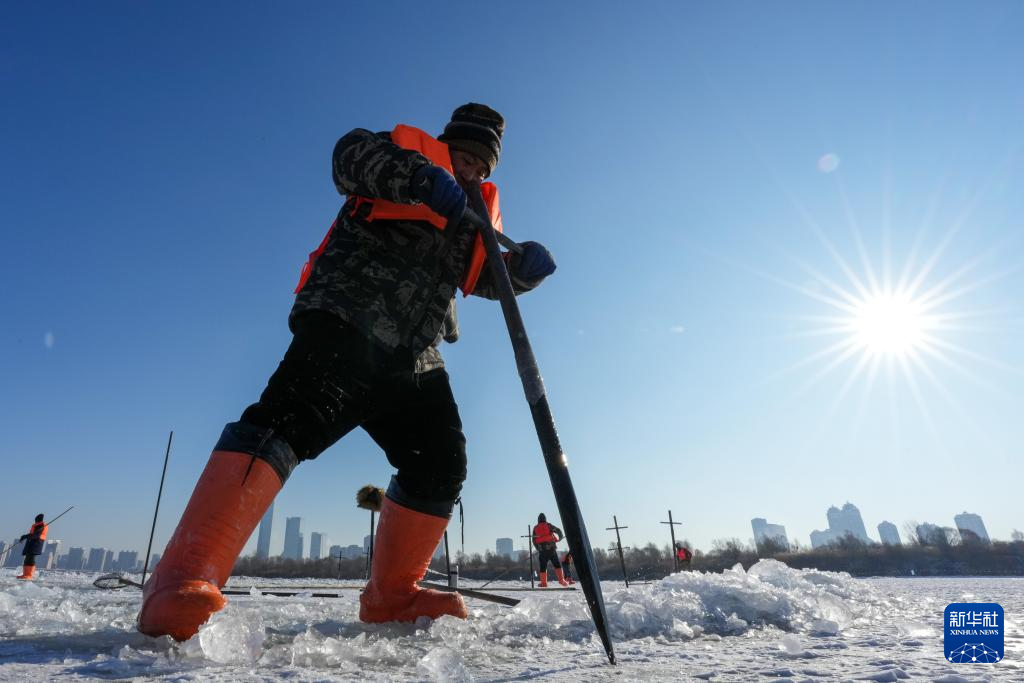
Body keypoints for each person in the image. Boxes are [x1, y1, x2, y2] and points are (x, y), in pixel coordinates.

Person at [136, 103, 557, 641]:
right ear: (446, 145)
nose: (471, 170)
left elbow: (481, 278)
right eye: (464, 156)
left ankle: (393, 595)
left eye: (481, 165)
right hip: (349, 319)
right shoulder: (401, 155)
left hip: (416, 356)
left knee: (440, 462)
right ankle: (182, 579)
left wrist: (522, 273)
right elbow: (348, 157)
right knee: (284, 425)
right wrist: (418, 177)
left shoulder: (473, 212)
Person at [532, 513, 569, 587]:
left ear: (538, 520)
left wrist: (538, 548)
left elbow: (534, 540)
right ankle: (562, 581)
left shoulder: (535, 528)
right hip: (552, 549)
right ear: (545, 519)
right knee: (557, 565)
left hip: (542, 551)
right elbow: (558, 530)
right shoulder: (549, 525)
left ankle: (544, 583)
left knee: (543, 567)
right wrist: (560, 537)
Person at [17, 514, 47, 580]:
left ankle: (29, 575)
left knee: (31, 559)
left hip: (36, 544)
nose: (35, 521)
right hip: (31, 544)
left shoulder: (41, 525)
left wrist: (26, 536)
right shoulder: (37, 525)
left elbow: (36, 535)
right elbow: (32, 534)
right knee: (27, 559)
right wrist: (24, 536)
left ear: (38, 519)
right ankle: (25, 574)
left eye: (36, 519)